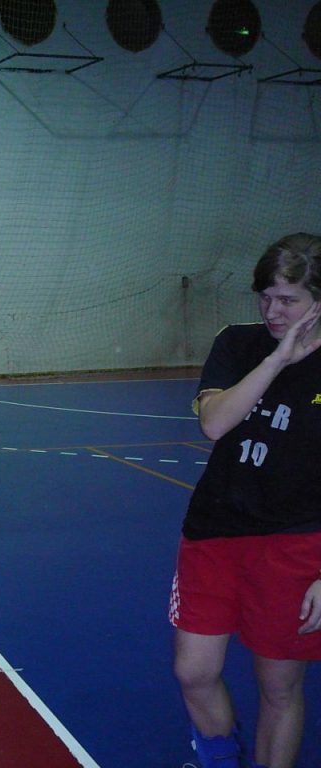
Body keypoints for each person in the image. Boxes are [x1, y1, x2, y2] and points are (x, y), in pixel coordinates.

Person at [170, 232, 321, 768]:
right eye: (266, 297)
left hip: (296, 543)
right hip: (214, 531)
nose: (273, 311)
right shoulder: (237, 343)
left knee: (278, 685)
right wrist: (278, 359)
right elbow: (214, 423)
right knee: (194, 671)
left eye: (289, 300)